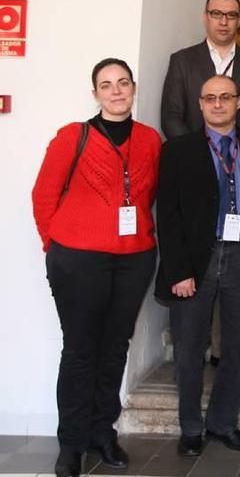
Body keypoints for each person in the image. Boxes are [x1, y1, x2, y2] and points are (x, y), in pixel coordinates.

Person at [32, 58, 161, 477]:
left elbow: (150, 194)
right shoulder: (73, 136)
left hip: (134, 258)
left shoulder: (149, 140)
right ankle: (71, 443)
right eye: (107, 85)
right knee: (80, 350)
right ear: (96, 94)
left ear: (133, 87)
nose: (116, 91)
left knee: (114, 347)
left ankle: (102, 433)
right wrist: (55, 245)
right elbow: (44, 195)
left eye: (123, 83)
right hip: (79, 259)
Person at [155, 74, 240, 458]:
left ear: (239, 102)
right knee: (188, 349)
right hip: (195, 261)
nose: (218, 104)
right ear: (199, 104)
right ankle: (191, 428)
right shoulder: (177, 150)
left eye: (226, 97)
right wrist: (178, 269)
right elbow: (167, 214)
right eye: (210, 98)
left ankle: (222, 422)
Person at [160, 0, 240, 139]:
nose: (224, 22)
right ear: (205, 17)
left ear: (239, 21)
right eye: (216, 14)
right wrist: (194, 152)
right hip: (194, 158)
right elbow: (171, 118)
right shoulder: (182, 61)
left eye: (231, 15)